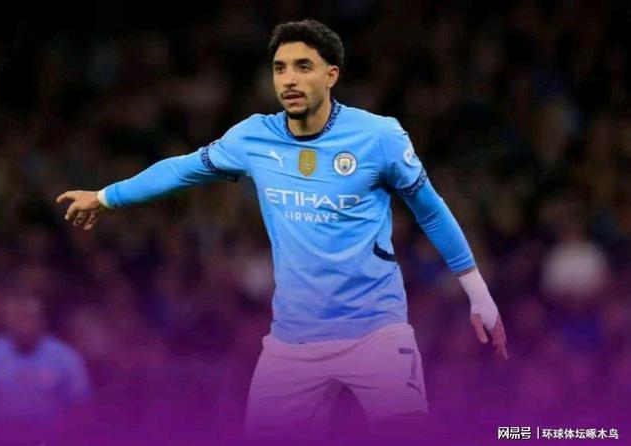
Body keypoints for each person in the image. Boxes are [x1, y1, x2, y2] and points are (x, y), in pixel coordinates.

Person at [56, 19, 507, 438]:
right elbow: (182, 169)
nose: (289, 79)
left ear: (331, 75)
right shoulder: (254, 138)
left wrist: (478, 293)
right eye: (280, 68)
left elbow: (431, 211)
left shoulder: (379, 137)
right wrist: (106, 196)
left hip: (377, 333)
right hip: (293, 342)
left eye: (303, 67)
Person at [0, 292, 91, 426]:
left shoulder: (65, 357)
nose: (24, 324)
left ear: (42, 321)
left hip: (51, 431)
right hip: (1, 431)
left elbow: (79, 401)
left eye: (30, 317)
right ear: (6, 321)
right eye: (18, 318)